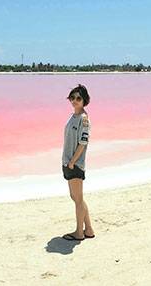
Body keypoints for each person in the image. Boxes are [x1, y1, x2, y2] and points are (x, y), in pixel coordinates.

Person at [61, 84, 95, 241]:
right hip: (68, 162)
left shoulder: (84, 119)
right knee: (75, 197)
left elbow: (83, 142)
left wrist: (73, 161)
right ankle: (88, 229)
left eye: (78, 98)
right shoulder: (73, 116)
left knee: (78, 198)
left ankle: (79, 232)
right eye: (72, 98)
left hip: (75, 164)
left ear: (84, 101)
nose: (74, 101)